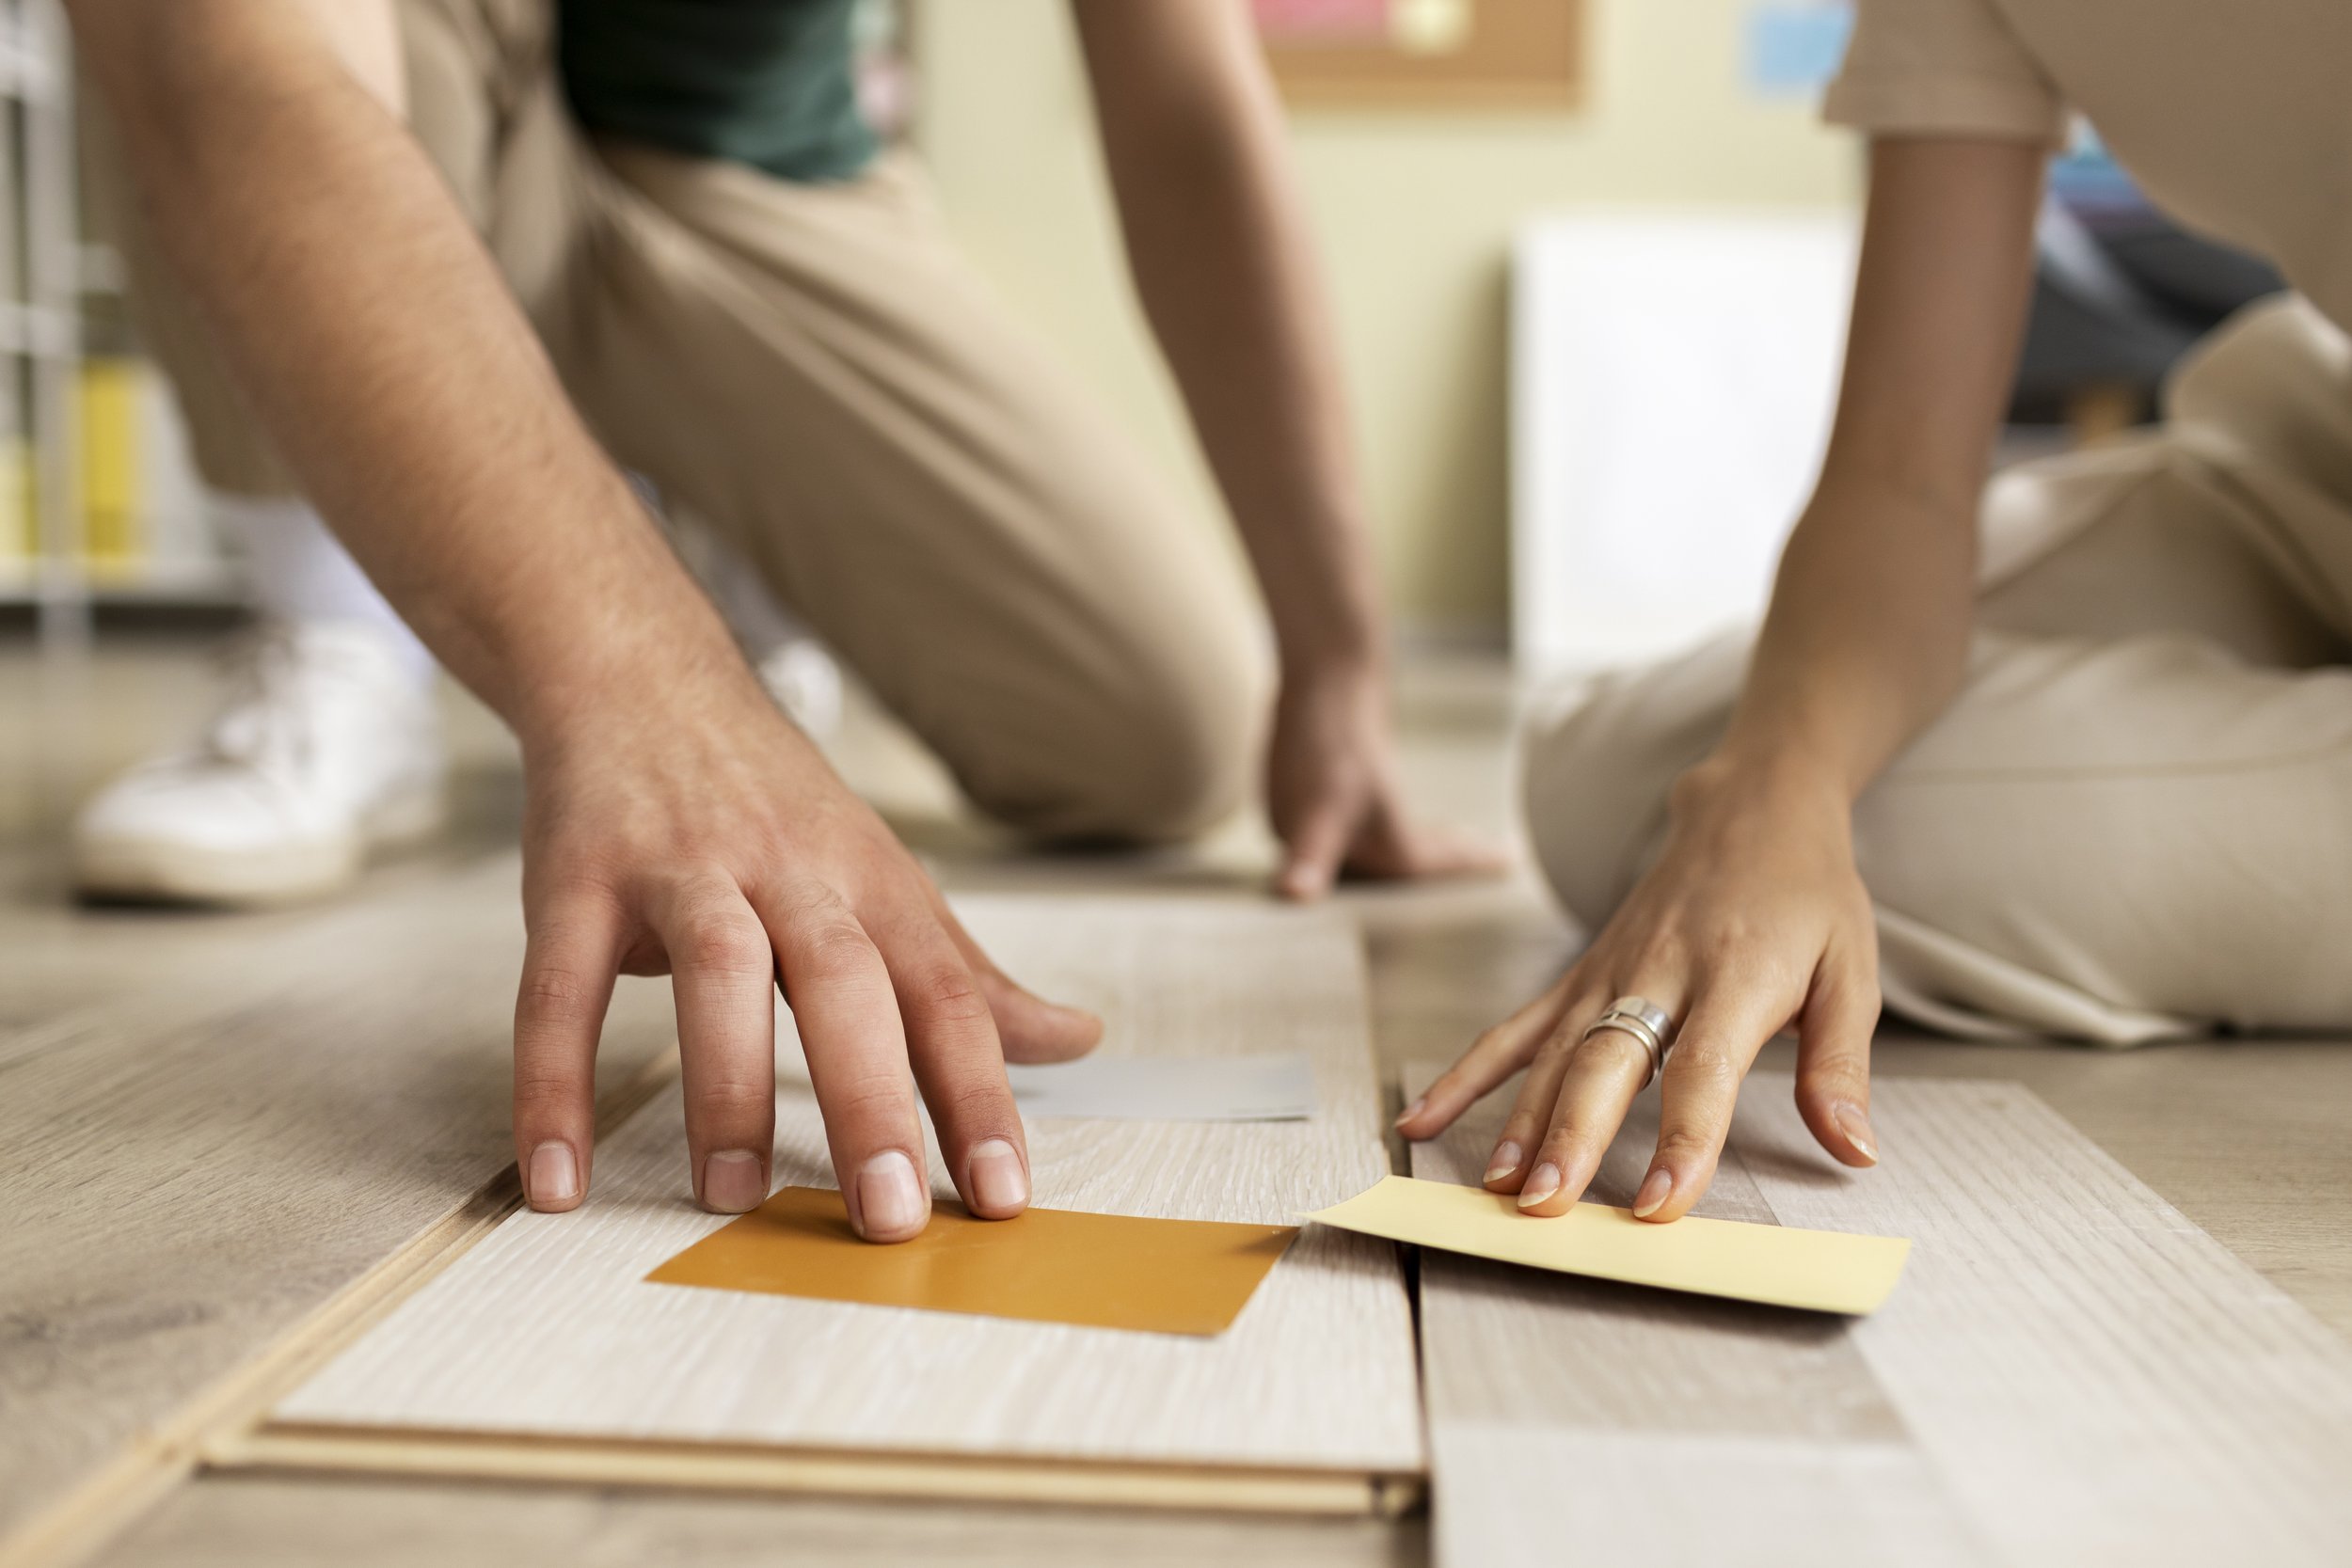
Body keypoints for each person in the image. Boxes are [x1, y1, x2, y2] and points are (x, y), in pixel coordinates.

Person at [69, 0, 1495, 1240]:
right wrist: (635, 686)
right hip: (379, 93)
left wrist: (1335, 655)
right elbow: (237, 64)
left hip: (744, 165)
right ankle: (343, 624)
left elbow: (1183, 94)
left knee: (1162, 736)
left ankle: (699, 544)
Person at [1402, 0, 2352, 1223]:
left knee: (1830, 837)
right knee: (1621, 778)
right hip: (2316, 456)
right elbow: (1903, 476)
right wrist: (1774, 791)